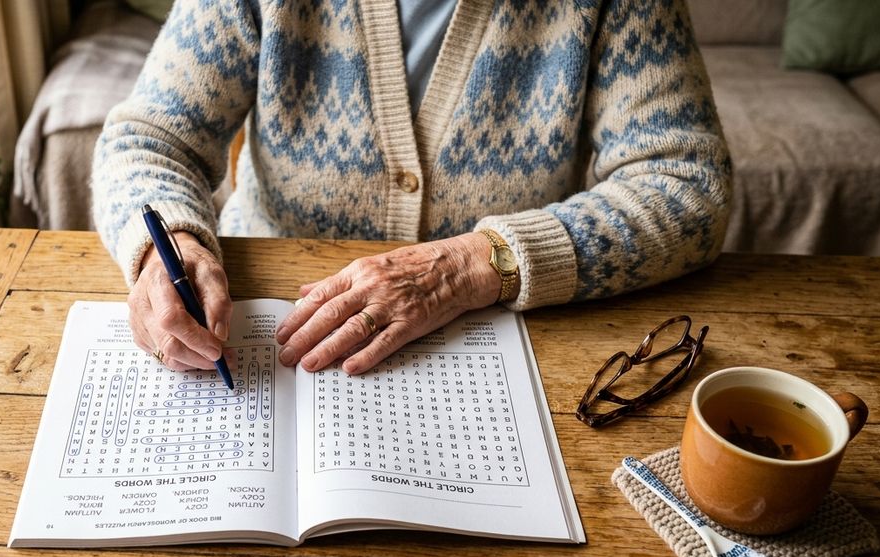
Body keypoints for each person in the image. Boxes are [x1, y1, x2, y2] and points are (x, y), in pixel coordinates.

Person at [92, 0, 731, 376]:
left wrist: (472, 265)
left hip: (506, 342)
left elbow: (688, 185)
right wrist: (167, 247)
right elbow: (148, 138)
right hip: (270, 325)